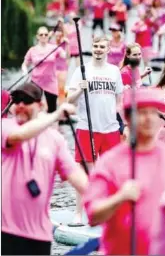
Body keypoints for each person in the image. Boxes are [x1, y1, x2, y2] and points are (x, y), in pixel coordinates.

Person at [83, 87, 165, 255]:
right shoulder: (109, 162)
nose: (149, 118)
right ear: (128, 118)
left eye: (154, 113)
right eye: (142, 112)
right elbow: (93, 216)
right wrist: (120, 197)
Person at [2, 82, 88, 255]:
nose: (20, 105)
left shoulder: (55, 139)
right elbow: (19, 136)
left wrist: (109, 202)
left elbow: (76, 176)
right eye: (16, 100)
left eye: (26, 101)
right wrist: (55, 115)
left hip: (40, 235)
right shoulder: (5, 126)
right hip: (5, 232)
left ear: (40, 105)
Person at [67, 36, 125, 225]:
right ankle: (79, 213)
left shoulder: (114, 71)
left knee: (111, 173)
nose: (98, 49)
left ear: (108, 50)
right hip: (87, 127)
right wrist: (78, 90)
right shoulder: (81, 71)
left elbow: (119, 102)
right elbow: (69, 101)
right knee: (85, 172)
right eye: (95, 46)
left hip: (111, 129)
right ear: (91, 48)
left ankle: (110, 212)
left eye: (102, 47)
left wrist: (123, 125)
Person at [21, 26, 66, 114]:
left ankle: (52, 125)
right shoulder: (32, 50)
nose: (44, 36)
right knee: (34, 107)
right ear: (37, 36)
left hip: (50, 81)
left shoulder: (54, 48)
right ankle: (35, 125)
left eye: (46, 34)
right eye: (41, 34)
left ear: (48, 36)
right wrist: (24, 71)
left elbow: (65, 56)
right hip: (36, 82)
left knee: (52, 109)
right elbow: (24, 64)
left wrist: (66, 45)